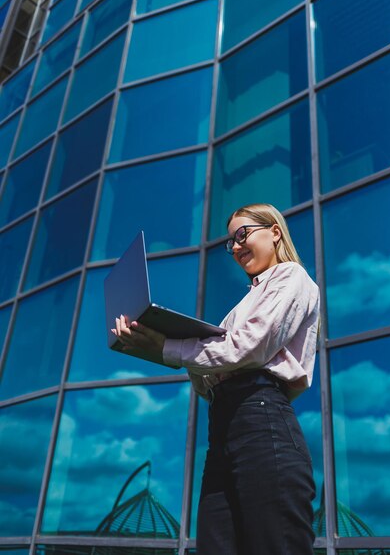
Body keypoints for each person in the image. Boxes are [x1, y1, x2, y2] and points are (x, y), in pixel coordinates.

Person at [112, 203, 320, 555]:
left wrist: (170, 349)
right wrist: (152, 345)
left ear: (274, 231)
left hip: (262, 418)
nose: (236, 247)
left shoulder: (291, 277)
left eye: (243, 234)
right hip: (224, 426)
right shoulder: (241, 306)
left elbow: (246, 349)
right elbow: (210, 375)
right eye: (231, 243)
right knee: (215, 544)